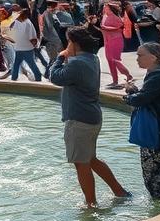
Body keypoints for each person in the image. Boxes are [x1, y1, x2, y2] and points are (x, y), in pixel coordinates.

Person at [50, 27, 130, 208]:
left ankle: (91, 204)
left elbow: (55, 77)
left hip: (79, 120)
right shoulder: (91, 58)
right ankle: (119, 191)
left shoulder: (76, 63)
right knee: (91, 159)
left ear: (75, 43)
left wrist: (60, 57)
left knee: (81, 163)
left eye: (68, 42)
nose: (66, 45)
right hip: (92, 116)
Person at [123, 42, 160, 199]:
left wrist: (128, 96)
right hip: (159, 130)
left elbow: (142, 99)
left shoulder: (158, 75)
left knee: (153, 177)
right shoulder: (157, 72)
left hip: (158, 133)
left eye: (140, 55)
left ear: (153, 57)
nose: (137, 59)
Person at [100, 2, 135, 90]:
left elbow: (120, 27)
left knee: (115, 60)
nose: (104, 8)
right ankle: (114, 81)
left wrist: (105, 28)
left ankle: (128, 75)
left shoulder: (115, 17)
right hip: (107, 41)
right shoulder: (105, 16)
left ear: (111, 9)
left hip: (115, 40)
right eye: (104, 7)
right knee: (110, 61)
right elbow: (102, 27)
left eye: (106, 7)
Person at [7, 8, 42, 82]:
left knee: (16, 64)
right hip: (27, 47)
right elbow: (32, 37)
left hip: (18, 47)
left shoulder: (15, 22)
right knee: (31, 63)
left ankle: (14, 78)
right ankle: (38, 77)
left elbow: (10, 30)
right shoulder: (28, 22)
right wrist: (35, 45)